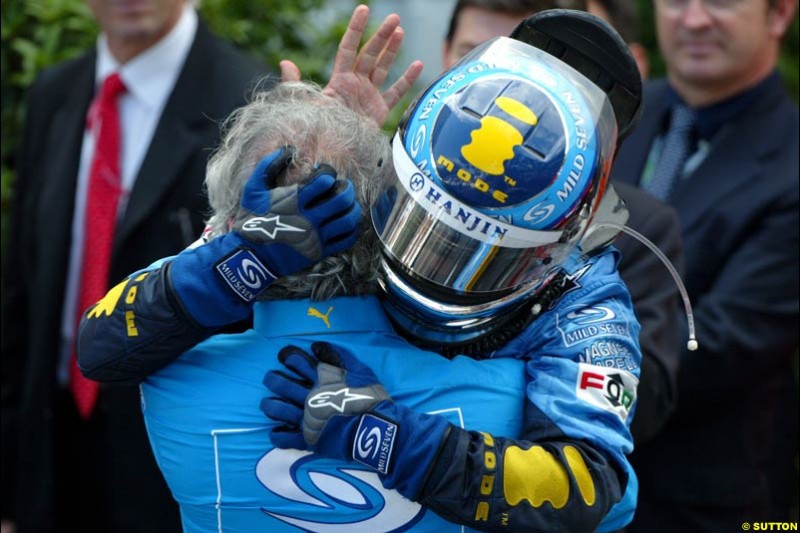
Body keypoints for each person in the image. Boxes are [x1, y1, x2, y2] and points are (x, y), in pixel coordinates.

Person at [80, 10, 647, 531]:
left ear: (561, 241)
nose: (444, 271)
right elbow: (101, 343)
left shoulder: (583, 290)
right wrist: (267, 230)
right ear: (395, 176)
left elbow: (592, 483)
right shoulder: (350, 206)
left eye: (488, 253)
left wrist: (391, 439)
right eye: (419, 224)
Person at [0, 0, 270, 531]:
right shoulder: (57, 92)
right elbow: (22, 287)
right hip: (53, 439)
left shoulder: (247, 104)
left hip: (172, 455)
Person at [442, 0, 684, 445]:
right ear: (446, 56)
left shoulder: (636, 230)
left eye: (534, 71)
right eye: (478, 54)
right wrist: (342, 154)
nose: (505, 91)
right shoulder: (388, 175)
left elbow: (634, 405)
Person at [608, 0, 799, 528]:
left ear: (779, 14)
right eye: (675, 1)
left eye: (719, 1)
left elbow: (725, 342)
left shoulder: (790, 163)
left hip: (700, 499)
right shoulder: (617, 115)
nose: (692, 20)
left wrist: (552, 359)